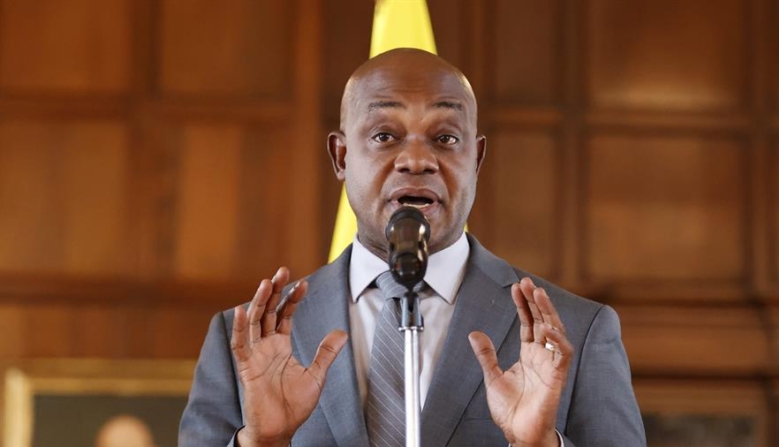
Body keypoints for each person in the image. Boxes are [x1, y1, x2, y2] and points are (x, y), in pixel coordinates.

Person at [178, 48, 646, 447]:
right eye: (385, 136)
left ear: (476, 158)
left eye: (446, 138)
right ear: (341, 157)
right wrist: (260, 445)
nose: (418, 160)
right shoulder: (243, 338)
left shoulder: (579, 333)